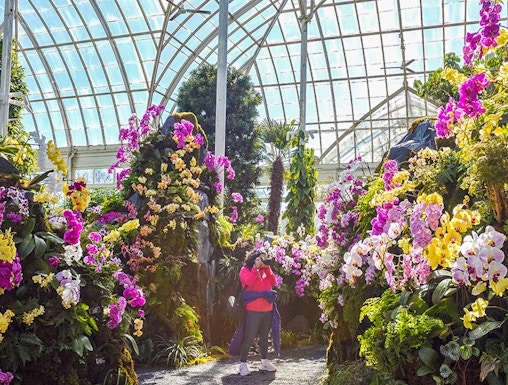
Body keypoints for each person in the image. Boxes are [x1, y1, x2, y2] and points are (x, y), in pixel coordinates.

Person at [237, 249, 279, 376]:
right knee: (249, 336)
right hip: (253, 310)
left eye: (264, 259)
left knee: (265, 337)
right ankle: (242, 364)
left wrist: (267, 268)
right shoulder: (245, 270)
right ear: (254, 259)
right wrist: (255, 268)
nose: (263, 261)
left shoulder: (265, 271)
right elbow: (249, 282)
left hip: (267, 309)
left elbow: (274, 282)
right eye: (260, 258)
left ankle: (264, 362)